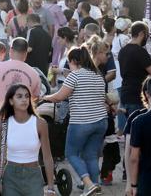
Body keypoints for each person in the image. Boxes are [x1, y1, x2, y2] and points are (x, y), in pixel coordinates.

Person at [43, 46, 107, 195]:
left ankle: (89, 184)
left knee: (71, 153)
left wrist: (44, 97)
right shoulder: (98, 75)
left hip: (82, 121)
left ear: (73, 61)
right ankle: (95, 187)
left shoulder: (75, 75)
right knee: (91, 155)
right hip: (101, 121)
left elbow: (59, 96)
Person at [0, 84, 55, 196]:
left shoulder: (40, 123)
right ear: (11, 101)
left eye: (27, 96)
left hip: (33, 175)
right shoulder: (4, 124)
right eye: (19, 96)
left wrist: (51, 187)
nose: (24, 100)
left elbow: (47, 157)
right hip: (10, 176)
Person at [119, 21, 151, 120]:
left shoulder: (123, 50)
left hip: (125, 94)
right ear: (141, 34)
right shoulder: (139, 51)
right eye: (147, 35)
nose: (147, 38)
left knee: (131, 128)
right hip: (137, 96)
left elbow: (134, 67)